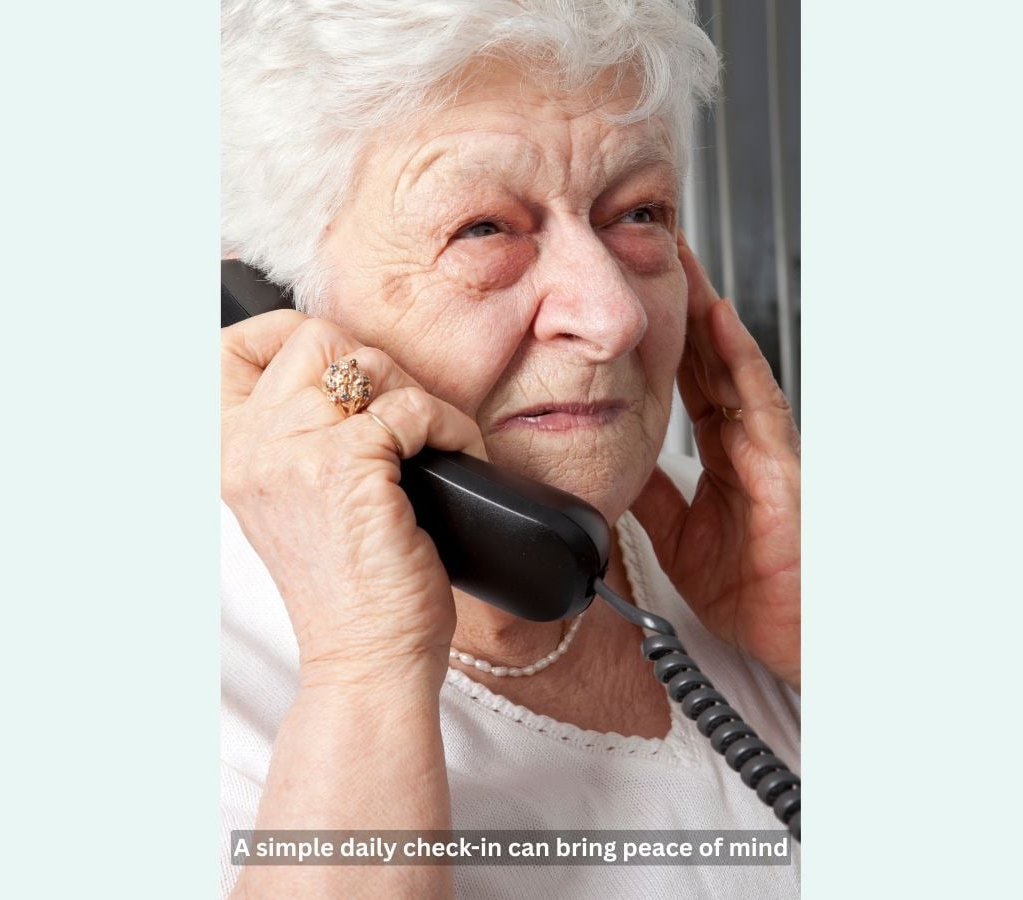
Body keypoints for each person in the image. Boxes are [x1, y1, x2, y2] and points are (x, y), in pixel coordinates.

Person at [220, 1, 801, 897]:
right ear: (284, 309)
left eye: (638, 212)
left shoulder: (760, 560)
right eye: (485, 228)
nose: (613, 318)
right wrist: (365, 675)